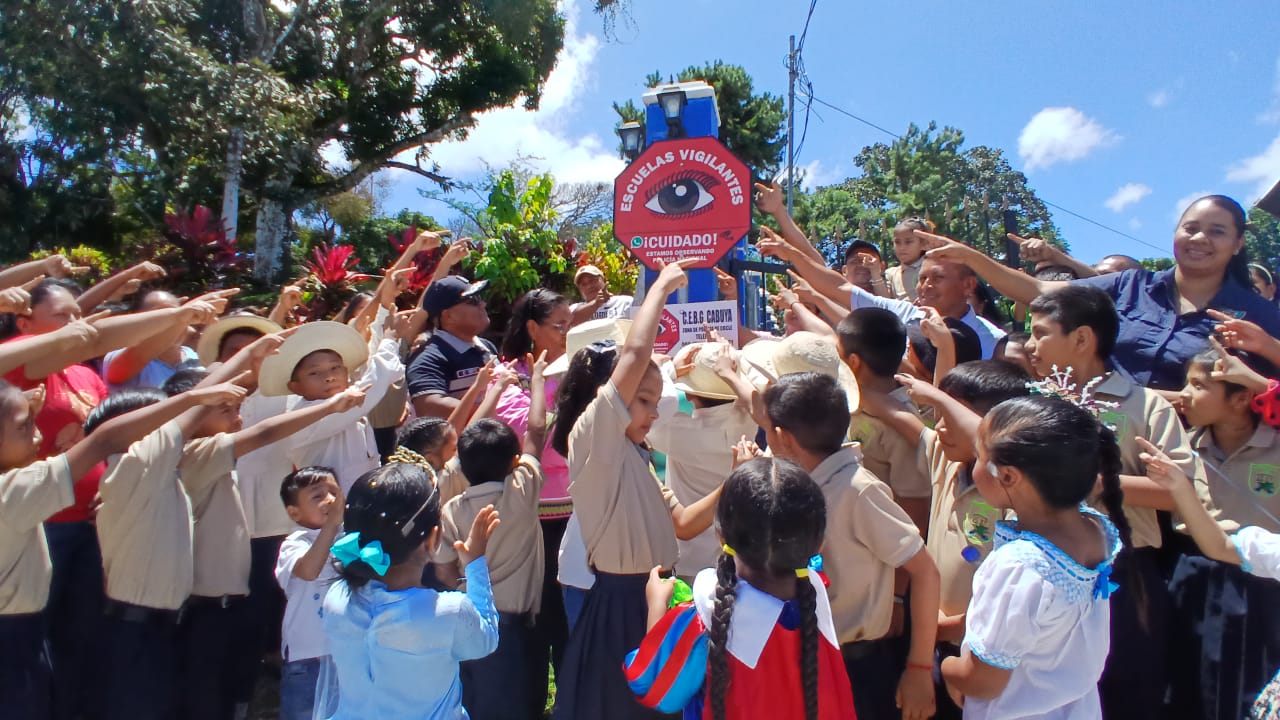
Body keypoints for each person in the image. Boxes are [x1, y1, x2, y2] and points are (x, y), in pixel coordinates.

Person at [0, 377, 239, 720]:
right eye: (25, 427)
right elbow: (105, 439)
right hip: (13, 637)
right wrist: (192, 399)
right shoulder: (12, 492)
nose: (38, 436)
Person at [550, 260, 725, 720]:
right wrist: (661, 286)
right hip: (622, 607)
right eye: (643, 400)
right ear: (606, 398)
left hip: (656, 598)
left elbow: (684, 524)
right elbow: (635, 354)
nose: (654, 412)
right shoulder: (595, 441)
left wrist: (735, 480)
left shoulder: (637, 457)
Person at [1023, 284, 1207, 718]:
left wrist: (1095, 483)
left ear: (1082, 339)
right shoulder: (1029, 405)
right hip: (1040, 571)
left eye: (1041, 333)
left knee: (1125, 695)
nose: (1030, 345)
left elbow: (1182, 493)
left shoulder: (1145, 406)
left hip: (1123, 576)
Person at [919, 195, 1280, 393]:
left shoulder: (1258, 316)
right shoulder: (1129, 286)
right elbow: (1040, 291)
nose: (1200, 239)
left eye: (1217, 232)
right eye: (1191, 228)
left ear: (1238, 243)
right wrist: (971, 257)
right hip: (1110, 443)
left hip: (1197, 465)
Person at [762, 371, 940, 720]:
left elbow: (924, 570)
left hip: (854, 668)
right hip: (810, 662)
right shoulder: (804, 484)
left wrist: (919, 667)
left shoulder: (858, 491)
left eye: (766, 428)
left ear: (783, 437)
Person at [940, 395, 1131, 718]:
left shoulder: (1019, 567)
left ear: (1008, 476)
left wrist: (946, 666)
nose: (974, 464)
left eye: (978, 456)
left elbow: (983, 680)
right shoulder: (1094, 530)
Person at [625, 457, 857, 720]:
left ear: (720, 536)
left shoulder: (704, 620)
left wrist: (656, 606)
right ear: (819, 543)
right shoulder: (814, 594)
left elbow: (656, 688)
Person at [322, 463, 502, 718]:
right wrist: (475, 564)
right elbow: (485, 640)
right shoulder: (446, 613)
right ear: (432, 539)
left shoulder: (337, 596)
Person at [1163, 342, 1280, 720]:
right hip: (1192, 570)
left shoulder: (1275, 446)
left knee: (1244, 687)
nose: (1184, 394)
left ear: (1241, 398)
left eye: (1199, 385)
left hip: (1259, 580)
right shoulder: (1181, 447)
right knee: (1185, 683)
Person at [437, 350, 548, 720]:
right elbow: (536, 431)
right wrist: (536, 380)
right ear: (514, 462)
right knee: (515, 700)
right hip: (514, 622)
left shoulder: (451, 508)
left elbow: (443, 570)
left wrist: (495, 390)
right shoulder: (521, 491)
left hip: (468, 618)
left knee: (475, 698)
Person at [495, 288, 574, 713]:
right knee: (534, 613)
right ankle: (528, 702)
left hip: (575, 509)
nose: (567, 333)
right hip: (531, 515)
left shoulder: (577, 369)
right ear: (531, 328)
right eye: (559, 325)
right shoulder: (508, 375)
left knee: (568, 613)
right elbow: (529, 433)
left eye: (570, 324)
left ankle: (569, 699)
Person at [761, 226, 1006, 359]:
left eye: (938, 278)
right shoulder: (903, 313)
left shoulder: (994, 341)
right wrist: (790, 253)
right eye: (922, 278)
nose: (926, 286)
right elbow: (839, 287)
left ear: (968, 286)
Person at [650, 341, 759, 581]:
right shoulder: (751, 421)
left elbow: (639, 409)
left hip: (690, 559)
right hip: (739, 555)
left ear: (688, 393)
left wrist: (667, 372)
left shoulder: (675, 431)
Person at [256, 319, 402, 492]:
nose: (329, 377)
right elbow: (376, 381)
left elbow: (374, 378)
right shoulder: (304, 417)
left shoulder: (348, 398)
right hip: (331, 504)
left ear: (346, 372)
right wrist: (390, 340)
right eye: (314, 373)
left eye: (335, 368)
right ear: (295, 387)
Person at [837, 308, 932, 531]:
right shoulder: (857, 398)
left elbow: (915, 506)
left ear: (853, 361)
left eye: (838, 353)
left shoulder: (900, 425)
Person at [275, 467, 344, 720]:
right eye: (317, 496)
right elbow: (308, 570)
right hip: (307, 657)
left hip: (348, 653)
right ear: (294, 513)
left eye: (334, 492)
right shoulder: (294, 543)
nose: (330, 500)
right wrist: (331, 526)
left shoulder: (350, 535)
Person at [102, 288, 237, 390]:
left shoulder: (200, 358)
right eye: (160, 315)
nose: (169, 320)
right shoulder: (118, 355)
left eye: (173, 312)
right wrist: (183, 314)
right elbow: (138, 357)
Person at [408, 275, 497, 418]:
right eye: (473, 301)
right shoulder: (429, 358)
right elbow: (429, 407)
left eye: (480, 298)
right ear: (448, 316)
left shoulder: (486, 346)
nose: (483, 304)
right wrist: (500, 412)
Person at [885, 218, 930, 302]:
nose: (902, 247)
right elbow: (884, 302)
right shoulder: (891, 274)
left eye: (908, 242)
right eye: (897, 242)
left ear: (923, 244)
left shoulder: (931, 269)